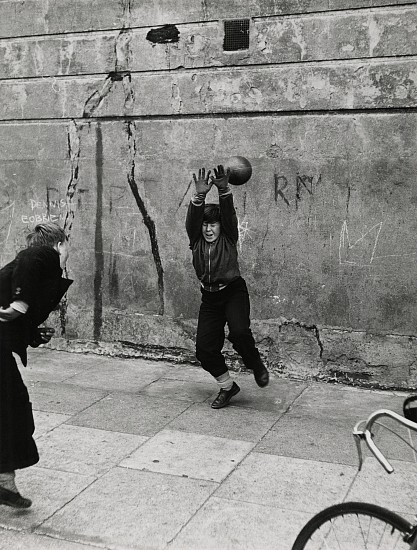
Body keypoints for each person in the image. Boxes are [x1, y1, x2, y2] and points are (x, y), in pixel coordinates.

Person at [0, 222, 72, 508]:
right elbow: (30, 258)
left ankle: (5, 481)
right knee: (12, 407)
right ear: (59, 246)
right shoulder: (40, 258)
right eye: (66, 247)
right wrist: (20, 303)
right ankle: (4, 481)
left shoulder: (36, 271)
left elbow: (16, 317)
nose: (67, 254)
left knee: (13, 407)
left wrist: (32, 333)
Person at [186, 165, 269, 409]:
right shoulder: (196, 240)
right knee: (204, 350)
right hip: (209, 298)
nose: (208, 229)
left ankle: (256, 365)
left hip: (233, 292)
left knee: (240, 334)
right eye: (205, 225)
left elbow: (229, 214)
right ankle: (227, 387)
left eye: (213, 225)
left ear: (221, 227)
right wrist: (199, 196)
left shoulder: (229, 237)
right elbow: (193, 219)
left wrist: (223, 190)